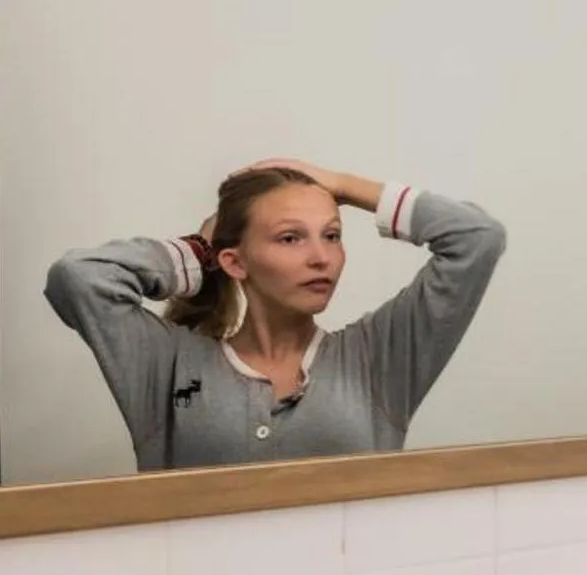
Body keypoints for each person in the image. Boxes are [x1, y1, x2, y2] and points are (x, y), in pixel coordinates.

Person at [44, 160, 506, 471]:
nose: (322, 257)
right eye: (291, 238)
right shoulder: (166, 365)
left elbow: (477, 238)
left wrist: (342, 185)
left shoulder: (376, 360)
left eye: (332, 235)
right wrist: (198, 251)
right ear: (234, 262)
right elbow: (78, 279)